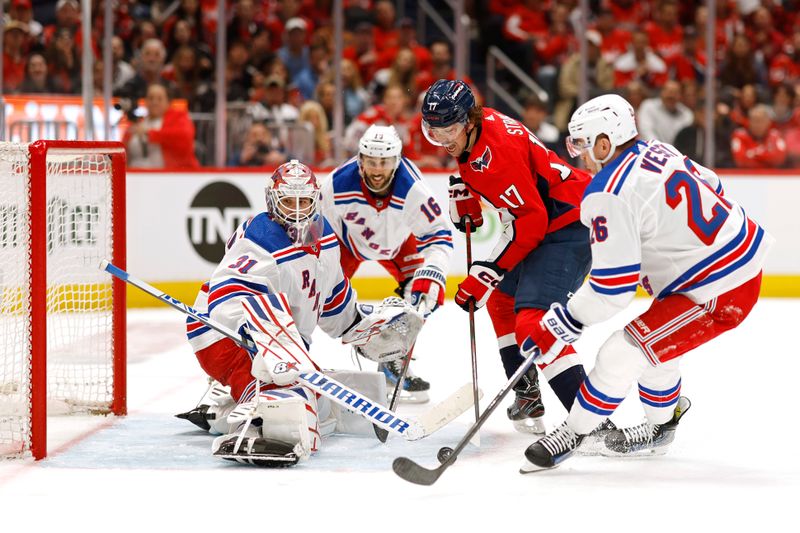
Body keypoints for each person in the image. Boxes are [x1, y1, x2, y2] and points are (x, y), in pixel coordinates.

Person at [521, 94, 773, 471]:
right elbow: (714, 184)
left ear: (605, 143)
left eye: (582, 144)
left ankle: (574, 433)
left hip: (718, 290)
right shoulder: (658, 149)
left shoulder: (608, 192)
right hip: (725, 267)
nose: (579, 156)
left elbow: (613, 289)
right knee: (657, 355)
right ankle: (663, 426)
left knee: (621, 352)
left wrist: (560, 322)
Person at [180, 160, 421, 466]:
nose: (296, 209)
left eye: (303, 201)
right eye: (288, 201)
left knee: (321, 403)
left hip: (281, 346)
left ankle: (221, 412)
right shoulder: (261, 234)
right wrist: (253, 330)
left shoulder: (327, 238)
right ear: (273, 200)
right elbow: (228, 290)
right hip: (227, 339)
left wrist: (368, 329)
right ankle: (252, 423)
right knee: (293, 413)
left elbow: (334, 304)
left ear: (315, 199)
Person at [420, 79, 593, 434]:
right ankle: (527, 393)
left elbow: (531, 220)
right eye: (432, 132)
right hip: (549, 221)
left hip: (568, 225)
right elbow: (519, 194)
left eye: (448, 130)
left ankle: (592, 424)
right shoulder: (481, 129)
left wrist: (487, 273)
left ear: (468, 121)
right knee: (502, 301)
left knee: (534, 323)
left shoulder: (496, 154)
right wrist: (469, 189)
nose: (442, 141)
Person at [320, 125, 453, 403]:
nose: (377, 169)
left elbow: (439, 233)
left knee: (422, 297)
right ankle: (294, 360)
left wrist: (435, 270)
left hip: (399, 244)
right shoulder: (335, 185)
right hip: (348, 245)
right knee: (315, 295)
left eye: (385, 161)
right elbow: (318, 231)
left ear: (398, 160)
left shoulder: (413, 189)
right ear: (360, 160)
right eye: (371, 161)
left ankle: (394, 361)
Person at [123, 83, 199, 168]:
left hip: (169, 175)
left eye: (159, 99)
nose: (154, 102)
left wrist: (149, 134)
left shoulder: (178, 117)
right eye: (151, 98)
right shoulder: (138, 123)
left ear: (168, 101)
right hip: (136, 174)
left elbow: (184, 136)